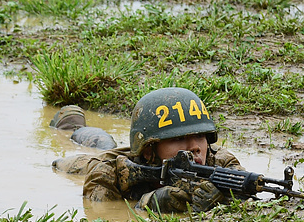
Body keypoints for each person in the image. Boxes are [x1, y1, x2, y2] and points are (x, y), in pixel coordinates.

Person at [82, 87, 244, 214]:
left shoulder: (220, 162)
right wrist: (150, 203)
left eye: (200, 136)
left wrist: (220, 200)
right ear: (148, 150)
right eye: (178, 138)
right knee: (97, 142)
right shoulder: (108, 170)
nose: (195, 147)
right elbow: (103, 214)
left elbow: (247, 200)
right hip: (83, 163)